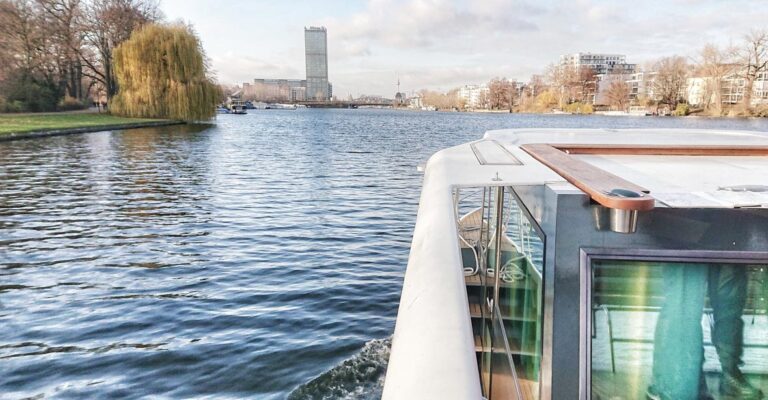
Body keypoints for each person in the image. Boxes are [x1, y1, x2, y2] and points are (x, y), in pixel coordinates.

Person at [648, 263, 763, 400]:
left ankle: (724, 377)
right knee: (682, 304)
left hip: (721, 244)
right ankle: (671, 383)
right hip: (688, 245)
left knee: (726, 302)